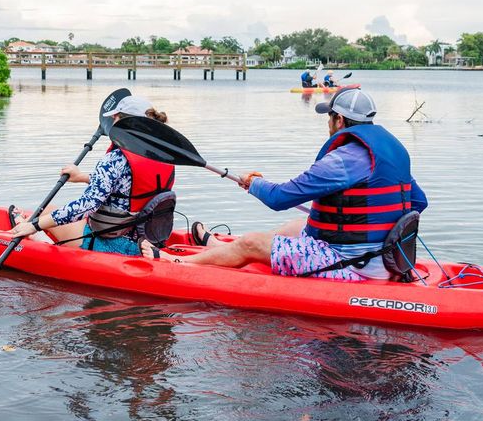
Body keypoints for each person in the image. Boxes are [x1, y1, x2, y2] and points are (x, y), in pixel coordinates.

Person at [174, 88, 426, 280]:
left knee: (251, 242)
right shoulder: (392, 152)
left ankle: (176, 265)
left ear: (339, 119)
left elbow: (279, 198)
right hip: (386, 256)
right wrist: (372, 229)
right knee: (296, 226)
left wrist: (254, 184)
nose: (328, 123)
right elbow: (418, 202)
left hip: (355, 263)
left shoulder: (342, 160)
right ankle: (218, 249)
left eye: (329, 117)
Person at [8, 95, 174, 256]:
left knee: (46, 213)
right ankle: (32, 230)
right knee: (51, 213)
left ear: (123, 121)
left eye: (115, 118)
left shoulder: (115, 159)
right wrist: (82, 177)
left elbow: (86, 206)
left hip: (114, 244)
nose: (112, 123)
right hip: (148, 243)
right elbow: (131, 187)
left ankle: (29, 233)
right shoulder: (164, 158)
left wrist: (35, 226)